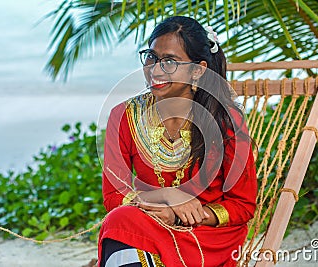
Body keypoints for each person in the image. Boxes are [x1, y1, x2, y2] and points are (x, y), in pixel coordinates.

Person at [98, 16, 257, 267]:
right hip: (149, 223)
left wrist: (181, 216)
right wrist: (168, 196)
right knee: (120, 219)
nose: (156, 69)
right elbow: (113, 196)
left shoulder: (225, 122)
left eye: (170, 61)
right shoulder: (124, 117)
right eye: (151, 57)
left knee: (123, 225)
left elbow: (243, 205)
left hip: (206, 235)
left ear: (198, 69)